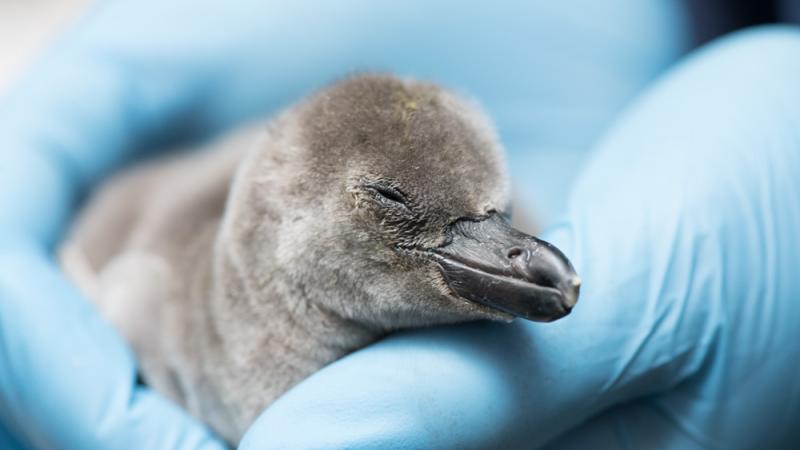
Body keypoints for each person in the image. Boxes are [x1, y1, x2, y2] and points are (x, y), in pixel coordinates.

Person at [0, 2, 798, 449]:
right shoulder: (150, 300)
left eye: (497, 213)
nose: (528, 257)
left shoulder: (516, 228)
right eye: (389, 204)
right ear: (286, 210)